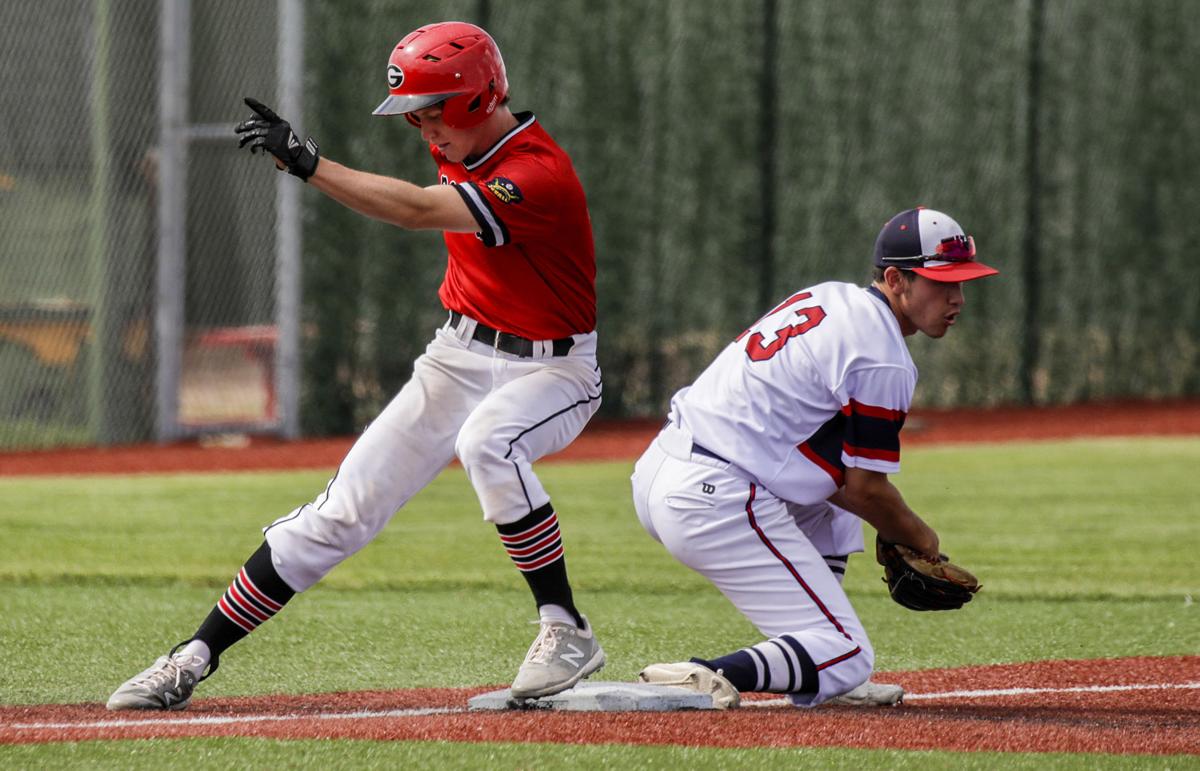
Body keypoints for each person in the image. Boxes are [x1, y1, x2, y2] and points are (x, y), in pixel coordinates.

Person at [107, 21, 604, 711]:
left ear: (475, 99)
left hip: (554, 374)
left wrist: (311, 163)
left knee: (489, 443)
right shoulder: (470, 141)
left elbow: (414, 210)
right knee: (341, 511)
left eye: (432, 112)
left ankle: (565, 625)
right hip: (459, 355)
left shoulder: (536, 174)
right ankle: (193, 654)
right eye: (416, 116)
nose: (423, 130)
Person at [632, 207, 998, 708]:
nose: (957, 298)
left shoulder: (831, 297)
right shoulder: (883, 355)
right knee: (849, 655)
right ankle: (707, 672)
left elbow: (846, 484)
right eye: (942, 282)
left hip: (667, 466)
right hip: (715, 495)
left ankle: (822, 674)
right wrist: (921, 538)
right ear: (896, 279)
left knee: (828, 504)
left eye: (963, 283)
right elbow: (867, 489)